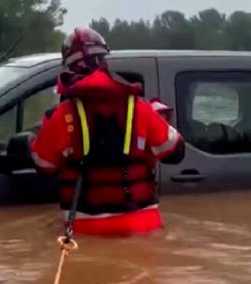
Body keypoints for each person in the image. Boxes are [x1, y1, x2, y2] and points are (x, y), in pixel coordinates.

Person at [30, 27, 185, 238]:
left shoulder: (60, 117)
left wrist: (34, 139)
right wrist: (158, 116)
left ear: (68, 67)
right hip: (143, 227)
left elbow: (44, 166)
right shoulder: (140, 108)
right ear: (103, 61)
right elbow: (176, 152)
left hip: (86, 231)